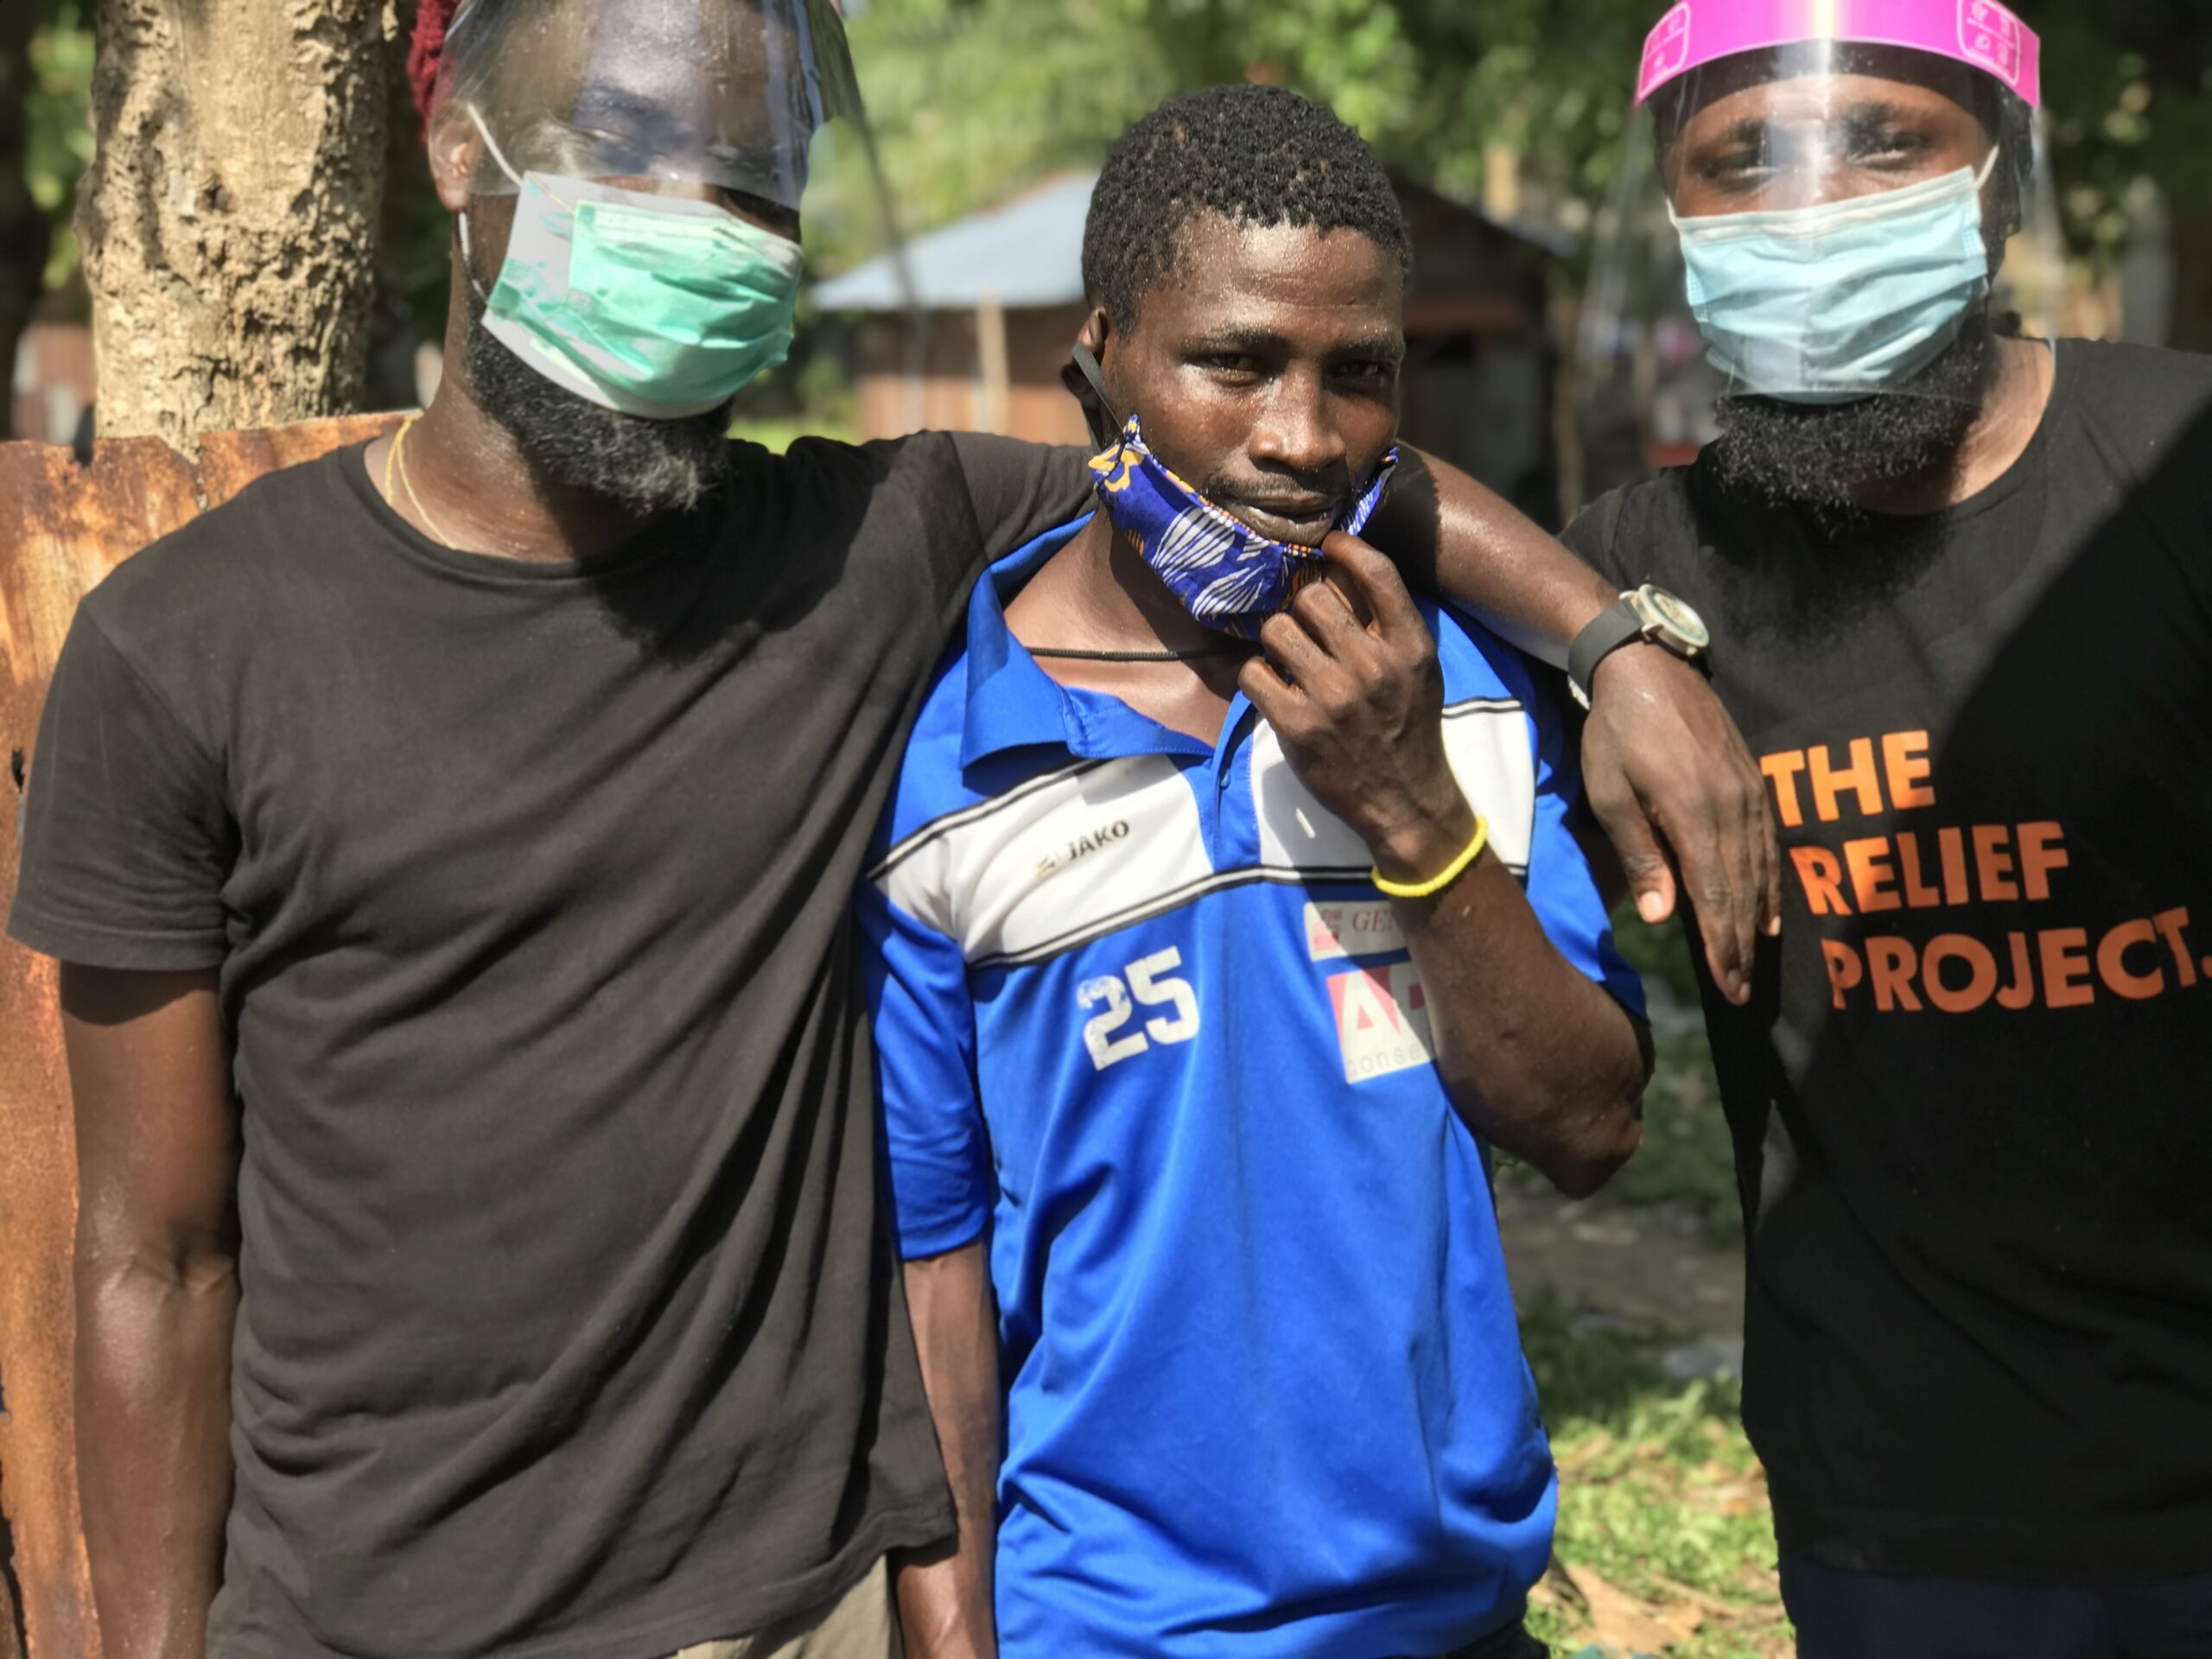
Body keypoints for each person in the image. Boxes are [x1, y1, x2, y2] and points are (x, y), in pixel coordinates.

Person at [8, 3, 1764, 1657]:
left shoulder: (865, 550)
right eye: (623, 151)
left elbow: (1280, 464)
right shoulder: (186, 649)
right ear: (458, 145)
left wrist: (1613, 645)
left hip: (802, 1606)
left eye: (750, 183)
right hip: (372, 1617)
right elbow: (152, 1256)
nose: (692, 223)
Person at [861, 85, 1652, 1659]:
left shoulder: (1466, 697)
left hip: (1454, 1616)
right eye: (1236, 362)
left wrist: (1413, 813)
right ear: (1103, 354)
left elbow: (1589, 1128)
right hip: (1109, 1628)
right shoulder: (946, 771)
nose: (1303, 436)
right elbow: (934, 1278)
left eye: (1359, 373)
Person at [1559, 1, 2212, 1651]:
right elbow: (1364, 493)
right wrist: (1606, 640)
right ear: (1676, 212)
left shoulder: (2181, 465)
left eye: (1883, 142)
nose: (1812, 209)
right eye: (1743, 163)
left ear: (2001, 181)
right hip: (1901, 1509)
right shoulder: (1649, 566)